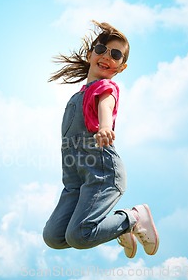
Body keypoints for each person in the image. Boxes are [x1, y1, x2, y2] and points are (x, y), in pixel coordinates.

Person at [42, 21, 159, 258]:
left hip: (102, 174)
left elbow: (107, 103)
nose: (106, 56)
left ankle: (133, 218)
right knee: (54, 236)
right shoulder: (78, 95)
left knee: (79, 236)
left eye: (115, 55)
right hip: (76, 182)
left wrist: (105, 126)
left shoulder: (105, 87)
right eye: (101, 50)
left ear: (120, 67)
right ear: (90, 53)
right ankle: (116, 228)